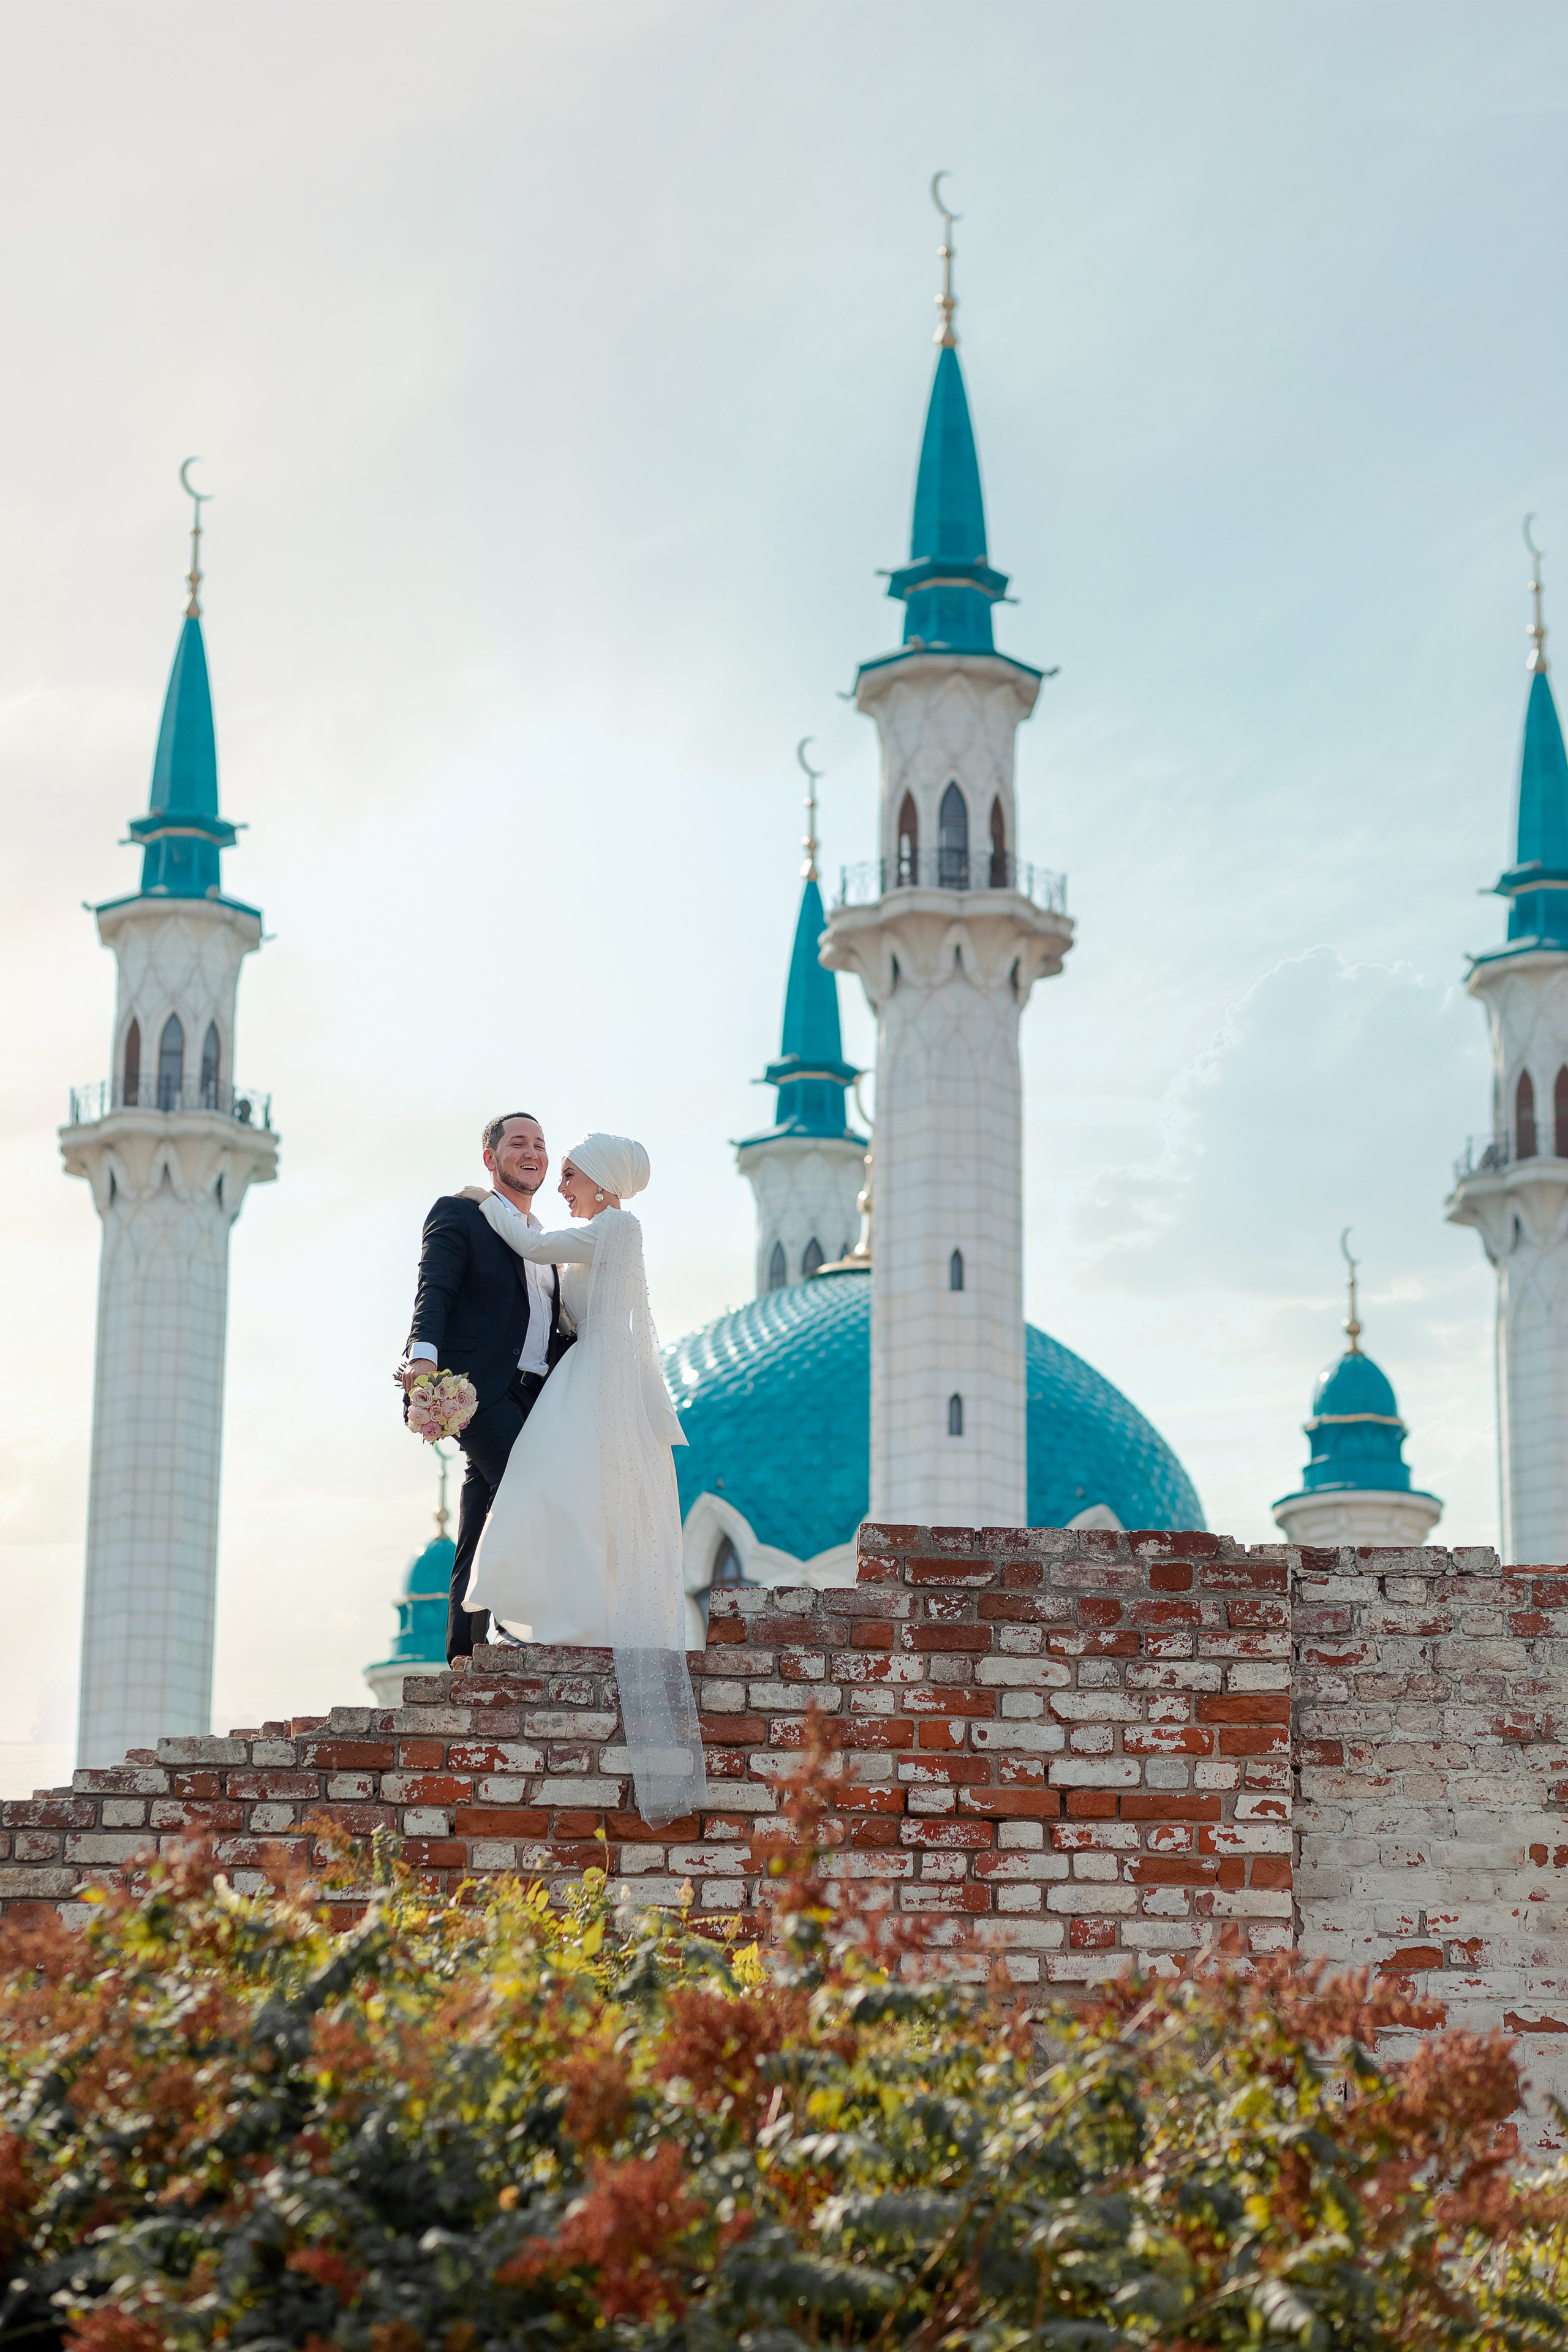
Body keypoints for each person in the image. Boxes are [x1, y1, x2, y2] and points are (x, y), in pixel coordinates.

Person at [458, 1131, 706, 1828]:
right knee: (563, 1496)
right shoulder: (601, 1231)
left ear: (600, 1180)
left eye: (568, 1173)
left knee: (557, 1492)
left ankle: (577, 1618)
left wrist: (486, 1200)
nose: (560, 1183)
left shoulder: (615, 1227)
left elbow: (536, 1250)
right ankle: (564, 1614)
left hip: (597, 1378)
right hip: (587, 1372)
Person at [402, 1112, 573, 1665]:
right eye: (517, 1142)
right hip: (478, 1391)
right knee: (532, 1492)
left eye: (540, 1145)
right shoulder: (462, 1214)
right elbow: (436, 1289)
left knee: (479, 1518)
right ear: (490, 1158)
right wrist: (422, 1359)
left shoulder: (543, 1240)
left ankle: (463, 1657)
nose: (532, 1152)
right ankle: (526, 1633)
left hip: (532, 1396)